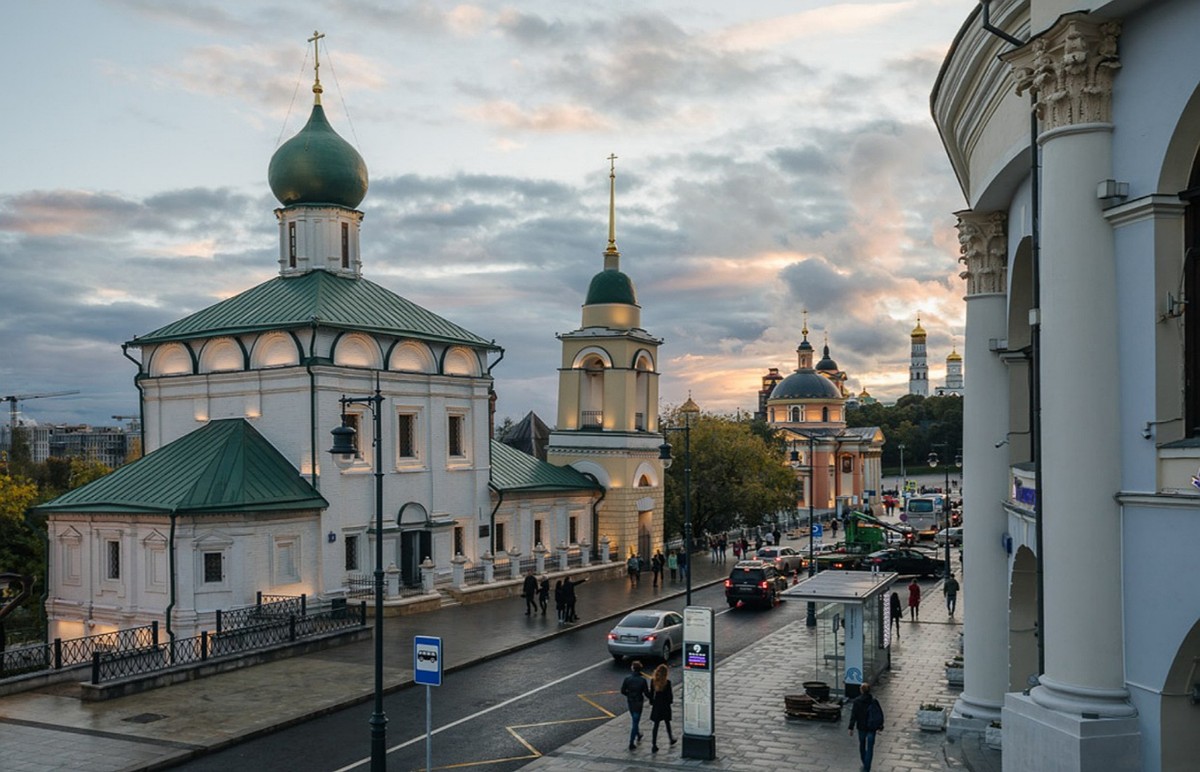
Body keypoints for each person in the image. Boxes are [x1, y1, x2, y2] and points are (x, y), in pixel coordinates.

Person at [847, 682, 884, 771]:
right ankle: (867, 768)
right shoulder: (874, 701)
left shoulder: (857, 701)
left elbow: (853, 715)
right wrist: (880, 726)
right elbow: (879, 714)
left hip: (861, 727)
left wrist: (851, 727)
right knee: (870, 748)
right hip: (872, 727)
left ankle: (865, 764)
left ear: (861, 690)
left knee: (862, 745)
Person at [620, 660, 652, 751]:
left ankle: (636, 736)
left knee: (634, 720)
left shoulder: (627, 679)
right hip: (638, 702)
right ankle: (632, 740)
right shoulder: (642, 680)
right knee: (635, 721)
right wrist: (652, 698)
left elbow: (622, 691)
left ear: (633, 668)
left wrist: (629, 695)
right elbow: (646, 693)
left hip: (630, 701)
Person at [649, 663, 677, 752]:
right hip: (665, 704)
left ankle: (654, 744)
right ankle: (671, 738)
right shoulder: (667, 682)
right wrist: (670, 702)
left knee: (656, 725)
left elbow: (651, 694)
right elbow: (669, 695)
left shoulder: (653, 681)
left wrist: (652, 702)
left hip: (657, 704)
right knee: (667, 723)